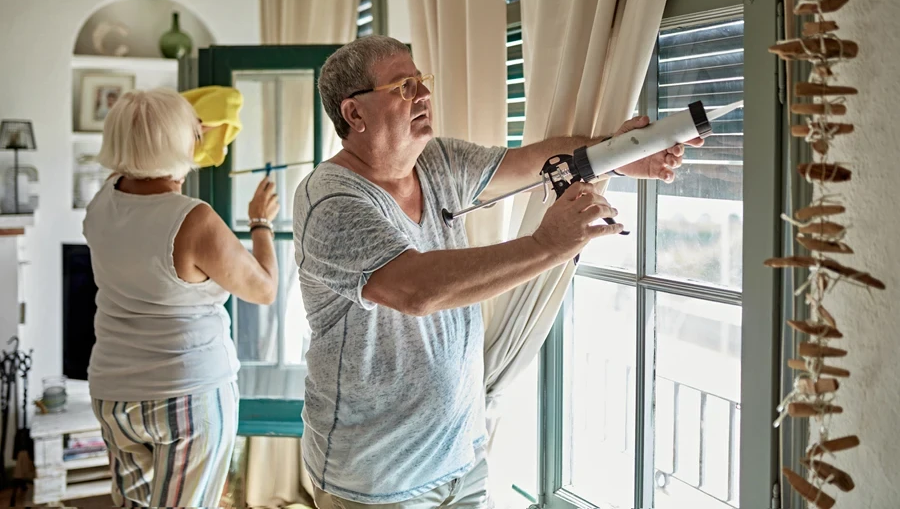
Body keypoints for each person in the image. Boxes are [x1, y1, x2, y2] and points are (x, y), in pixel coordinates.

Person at [294, 36, 699, 508]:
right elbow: (415, 288)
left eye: (421, 81)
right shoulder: (329, 199)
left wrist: (623, 154)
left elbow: (533, 163)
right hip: (376, 479)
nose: (423, 94)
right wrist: (546, 245)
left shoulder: (438, 160)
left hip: (461, 460)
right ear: (354, 114)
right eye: (403, 87)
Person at [83, 88, 280, 507]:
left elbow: (142, 148)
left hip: (113, 391)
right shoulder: (194, 220)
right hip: (187, 392)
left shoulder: (101, 202)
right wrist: (260, 222)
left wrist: (176, 131)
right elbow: (263, 288)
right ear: (185, 140)